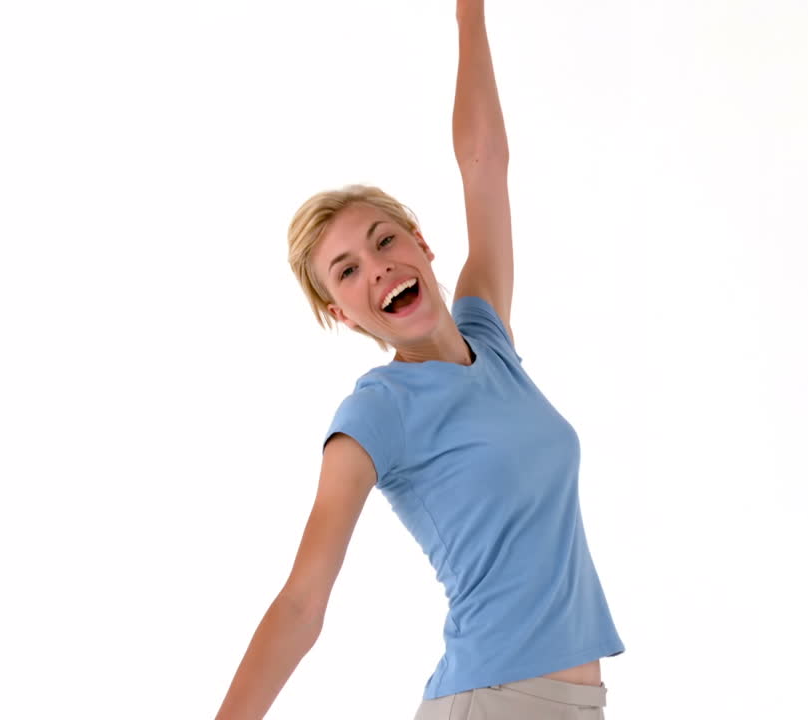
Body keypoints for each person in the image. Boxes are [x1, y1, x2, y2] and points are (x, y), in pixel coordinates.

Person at [214, 3, 625, 718]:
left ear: (422, 245)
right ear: (343, 314)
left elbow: (485, 164)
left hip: (565, 705)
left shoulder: (489, 339)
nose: (376, 267)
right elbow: (303, 602)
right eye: (346, 271)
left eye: (384, 240)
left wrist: (470, 13)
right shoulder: (379, 410)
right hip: (495, 704)